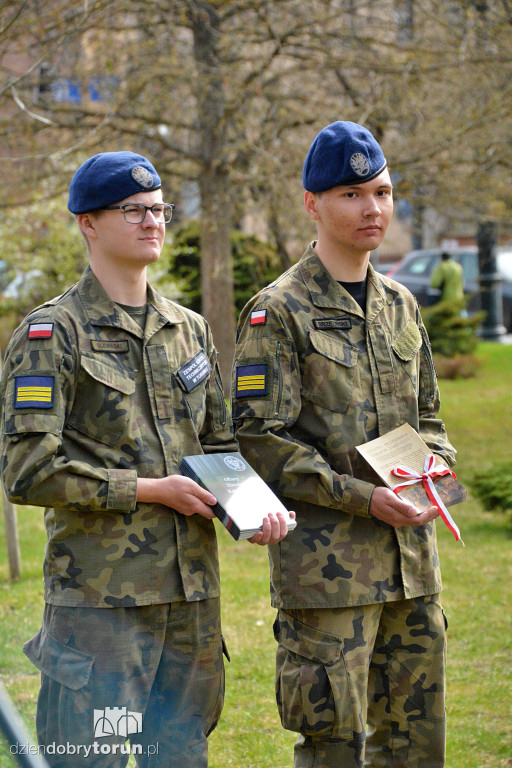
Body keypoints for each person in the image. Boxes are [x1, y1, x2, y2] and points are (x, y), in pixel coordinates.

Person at [0, 151, 289, 768]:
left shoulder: (189, 329)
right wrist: (150, 490)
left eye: (159, 209)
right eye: (133, 210)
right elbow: (28, 469)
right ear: (88, 222)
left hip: (191, 601)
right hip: (101, 610)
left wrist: (251, 510)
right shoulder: (54, 334)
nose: (152, 221)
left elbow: (219, 446)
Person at [231, 121, 457, 768]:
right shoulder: (277, 312)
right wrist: (365, 499)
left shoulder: (402, 307)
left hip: (413, 570)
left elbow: (430, 418)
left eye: (383, 192)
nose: (373, 209)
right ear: (313, 203)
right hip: (329, 577)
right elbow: (260, 439)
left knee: (418, 748)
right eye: (353, 194)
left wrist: (439, 467)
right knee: (334, 750)